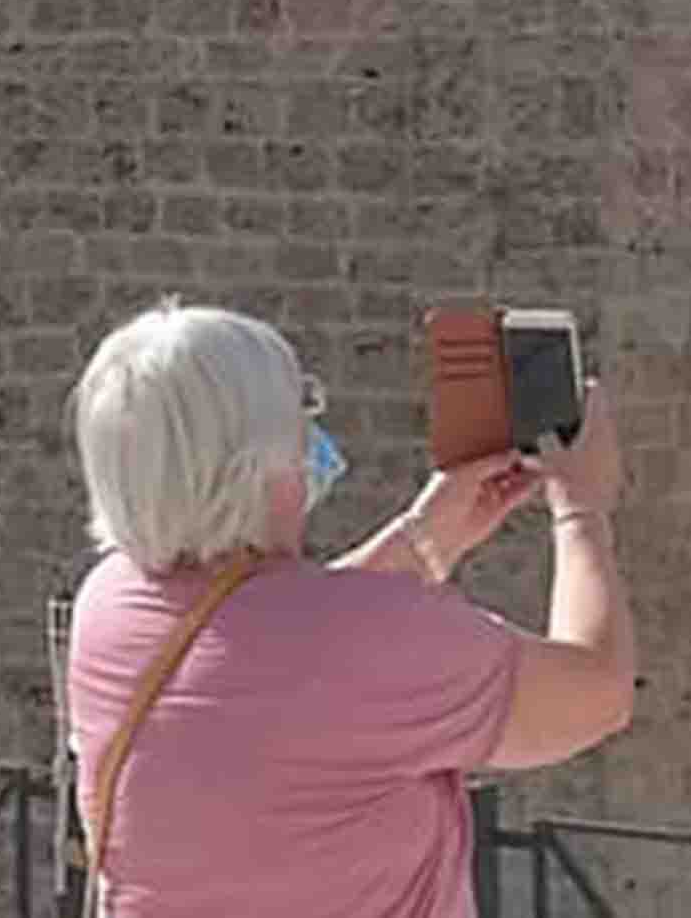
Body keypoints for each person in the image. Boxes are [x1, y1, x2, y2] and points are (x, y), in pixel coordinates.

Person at [59, 301, 637, 918]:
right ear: (258, 458)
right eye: (301, 411)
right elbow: (598, 692)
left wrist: (423, 537)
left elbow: (269, 647)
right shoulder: (369, 642)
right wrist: (581, 508)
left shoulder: (107, 606)